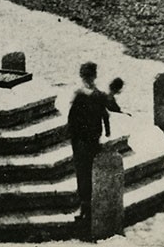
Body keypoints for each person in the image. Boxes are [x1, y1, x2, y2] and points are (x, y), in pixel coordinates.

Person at [67, 61, 112, 223]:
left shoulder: (79, 95)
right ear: (94, 76)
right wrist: (106, 133)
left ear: (82, 76)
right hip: (92, 139)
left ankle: (85, 207)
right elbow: (105, 116)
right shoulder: (99, 95)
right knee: (90, 173)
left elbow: (71, 120)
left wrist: (73, 137)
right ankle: (90, 206)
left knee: (83, 174)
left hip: (82, 141)